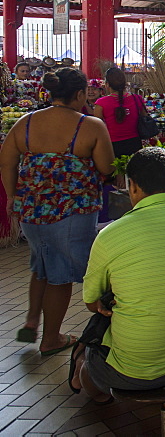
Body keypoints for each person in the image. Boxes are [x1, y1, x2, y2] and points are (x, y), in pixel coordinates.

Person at [70, 147, 165, 403]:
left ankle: (85, 375)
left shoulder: (111, 234)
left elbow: (90, 303)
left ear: (133, 187)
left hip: (136, 371)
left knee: (91, 366)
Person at [0, 68, 114, 355]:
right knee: (60, 276)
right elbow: (107, 168)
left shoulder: (25, 123)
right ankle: (51, 338)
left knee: (42, 266)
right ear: (78, 94)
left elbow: (6, 162)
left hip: (32, 214)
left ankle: (31, 322)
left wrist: (12, 195)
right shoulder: (90, 126)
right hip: (72, 214)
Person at [94, 68, 146, 158]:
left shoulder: (101, 103)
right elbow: (145, 117)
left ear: (107, 84)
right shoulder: (137, 98)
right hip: (135, 143)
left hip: (112, 145)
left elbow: (97, 127)